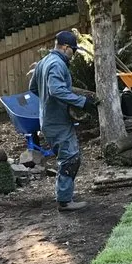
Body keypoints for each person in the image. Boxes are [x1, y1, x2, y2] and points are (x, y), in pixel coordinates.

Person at [29, 30, 99, 211]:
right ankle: (65, 201)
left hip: (48, 118)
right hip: (57, 122)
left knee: (68, 157)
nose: (73, 54)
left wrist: (50, 103)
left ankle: (64, 197)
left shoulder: (44, 62)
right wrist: (82, 102)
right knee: (70, 159)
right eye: (73, 50)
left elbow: (33, 88)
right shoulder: (57, 64)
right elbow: (56, 90)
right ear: (66, 47)